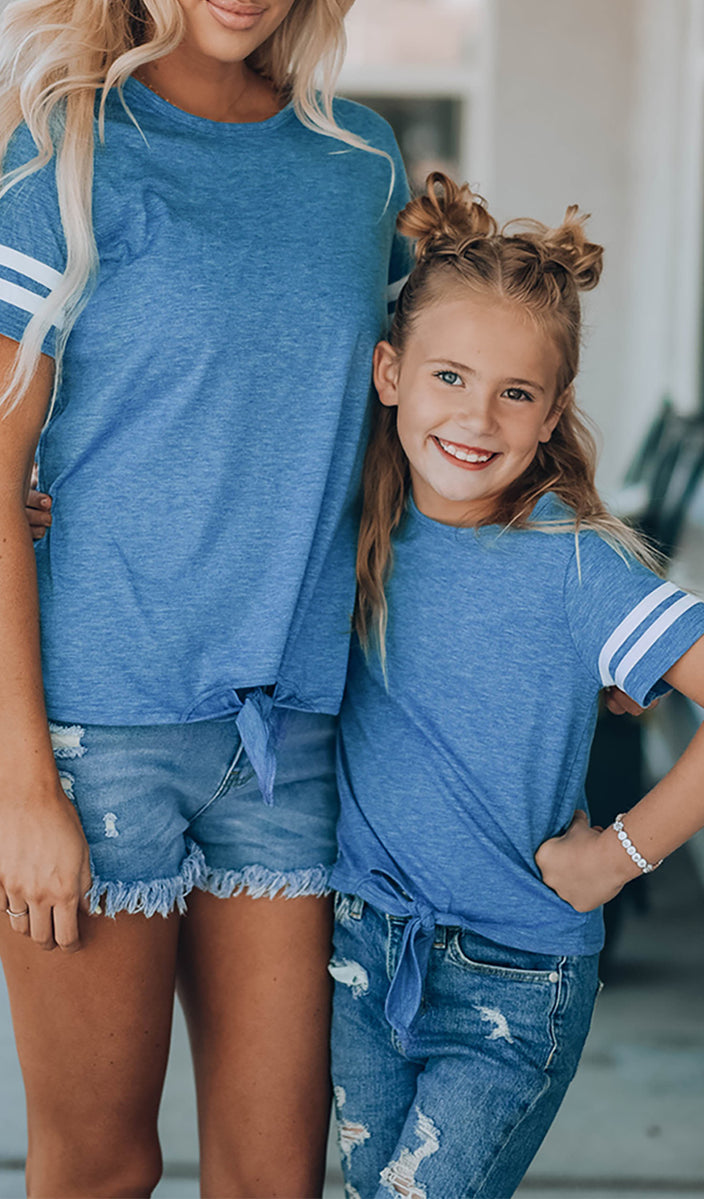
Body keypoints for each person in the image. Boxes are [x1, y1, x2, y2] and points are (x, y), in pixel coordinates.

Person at [0, 1, 413, 1195]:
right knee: (100, 1167)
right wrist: (26, 786)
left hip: (287, 738)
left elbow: (412, 430)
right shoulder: (54, 157)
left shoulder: (359, 164)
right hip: (94, 738)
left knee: (273, 1175)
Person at [327, 174, 704, 1199]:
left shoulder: (576, 568)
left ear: (550, 416)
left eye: (514, 392)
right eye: (449, 376)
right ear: (388, 371)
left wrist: (615, 857)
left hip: (511, 974)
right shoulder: (352, 524)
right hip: (357, 951)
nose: (475, 416)